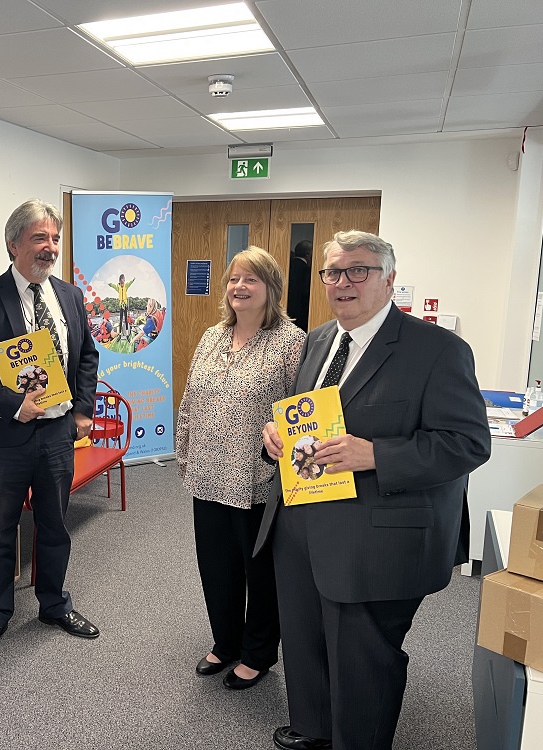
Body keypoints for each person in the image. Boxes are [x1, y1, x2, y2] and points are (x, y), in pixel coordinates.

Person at [257, 231, 490, 750]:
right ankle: (313, 727)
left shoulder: (437, 351)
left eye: (358, 270)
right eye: (333, 272)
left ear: (388, 279)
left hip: (378, 537)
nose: (343, 282)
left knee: (362, 659)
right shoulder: (318, 339)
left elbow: (467, 444)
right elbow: (310, 418)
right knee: (304, 641)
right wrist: (277, 438)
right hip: (302, 524)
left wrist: (376, 455)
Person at [0, 199, 99, 658]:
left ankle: (54, 605)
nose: (50, 248)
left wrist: (81, 410)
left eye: (54, 239)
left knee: (55, 526)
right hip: (5, 436)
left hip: (58, 436)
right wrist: (13, 404)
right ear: (13, 243)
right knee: (0, 531)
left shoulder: (71, 296)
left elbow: (88, 356)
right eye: (40, 238)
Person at [176, 248, 305, 690]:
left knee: (261, 572)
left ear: (271, 287)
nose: (239, 287)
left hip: (257, 480)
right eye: (234, 279)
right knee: (216, 566)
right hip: (207, 474)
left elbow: (299, 410)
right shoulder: (212, 336)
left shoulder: (290, 342)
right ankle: (225, 641)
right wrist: (185, 452)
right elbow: (191, 399)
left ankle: (258, 652)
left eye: (251, 279)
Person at [287, 240, 312, 330]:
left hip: (285, 309)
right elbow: (306, 292)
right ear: (307, 254)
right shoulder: (307, 270)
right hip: (302, 313)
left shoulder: (287, 266)